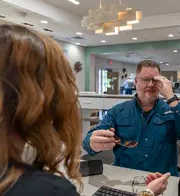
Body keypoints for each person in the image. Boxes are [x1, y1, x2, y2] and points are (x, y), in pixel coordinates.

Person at [0, 25, 169, 196]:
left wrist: (171, 98)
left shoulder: (24, 164)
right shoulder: (50, 189)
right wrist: (147, 193)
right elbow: (90, 140)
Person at [83, 60, 180, 176]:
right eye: (145, 80)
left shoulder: (172, 111)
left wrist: (171, 97)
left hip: (162, 180)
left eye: (154, 81)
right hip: (126, 178)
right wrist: (93, 143)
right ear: (135, 81)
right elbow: (88, 141)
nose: (150, 85)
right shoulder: (118, 111)